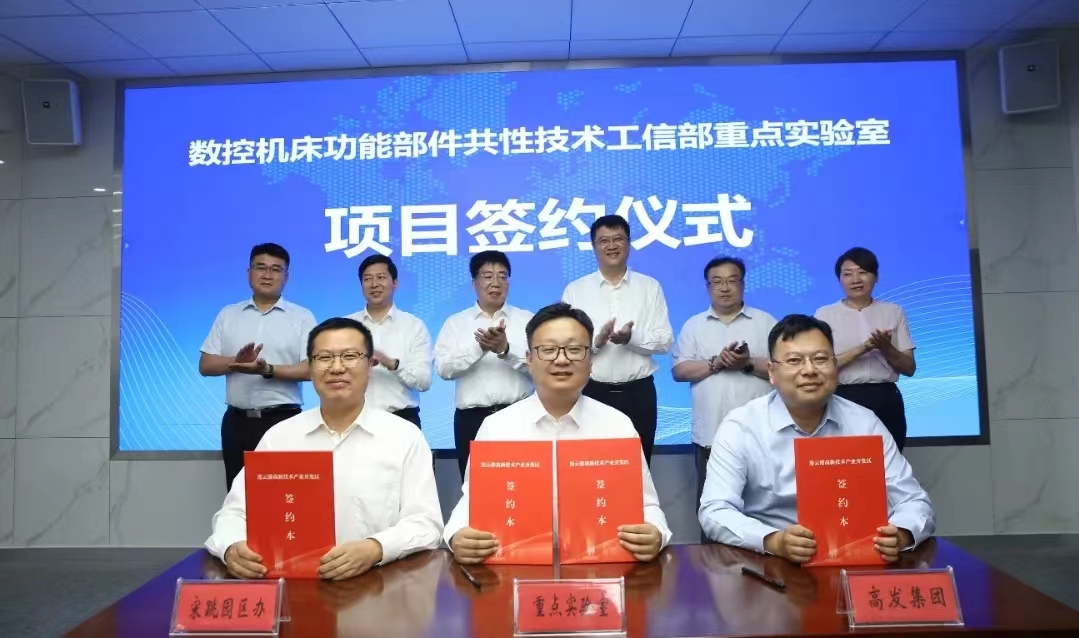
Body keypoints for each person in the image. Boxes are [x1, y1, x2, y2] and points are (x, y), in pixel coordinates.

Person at [206, 317, 443, 580]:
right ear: (310, 367)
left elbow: (425, 523)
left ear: (370, 365)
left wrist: (376, 548)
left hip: (379, 583)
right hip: (294, 587)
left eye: (350, 356)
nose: (337, 367)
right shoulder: (280, 438)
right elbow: (236, 511)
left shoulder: (404, 437)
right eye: (324, 357)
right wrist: (232, 546)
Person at [444, 302, 672, 564]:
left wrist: (656, 533)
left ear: (590, 361)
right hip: (517, 569)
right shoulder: (497, 427)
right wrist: (456, 535)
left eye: (574, 350)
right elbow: (472, 501)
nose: (562, 359)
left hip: (598, 571)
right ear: (529, 360)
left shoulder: (617, 425)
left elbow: (646, 504)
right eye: (548, 350)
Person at [698, 314, 934, 564]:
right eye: (794, 360)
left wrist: (901, 534)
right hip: (770, 563)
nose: (809, 370)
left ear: (835, 366)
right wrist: (773, 540)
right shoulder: (741, 426)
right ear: (772, 372)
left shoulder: (864, 422)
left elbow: (914, 501)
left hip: (857, 558)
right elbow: (715, 510)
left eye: (820, 359)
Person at [199, 243, 317, 491]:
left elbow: (312, 369)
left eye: (276, 269)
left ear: (286, 277)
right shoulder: (228, 314)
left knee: (284, 497)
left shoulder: (302, 317)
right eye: (260, 267)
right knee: (238, 497)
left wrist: (267, 370)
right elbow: (206, 364)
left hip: (283, 420)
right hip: (236, 422)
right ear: (249, 272)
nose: (267, 275)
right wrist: (236, 362)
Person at [671, 257, 776, 534]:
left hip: (761, 436)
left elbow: (783, 369)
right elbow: (679, 371)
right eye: (717, 282)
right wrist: (716, 363)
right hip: (710, 436)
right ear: (708, 287)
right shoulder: (694, 325)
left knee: (763, 513)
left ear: (743, 284)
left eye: (731, 280)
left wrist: (747, 363)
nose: (725, 288)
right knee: (713, 514)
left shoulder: (766, 322)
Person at [561, 215, 673, 464]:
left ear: (629, 243)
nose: (612, 246)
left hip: (639, 393)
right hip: (592, 391)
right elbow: (567, 347)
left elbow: (664, 341)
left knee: (638, 468)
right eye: (604, 240)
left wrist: (631, 338)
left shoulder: (650, 287)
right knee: (591, 466)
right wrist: (596, 342)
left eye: (618, 239)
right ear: (593, 246)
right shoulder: (575, 290)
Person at [434, 251, 534, 478]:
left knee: (524, 484)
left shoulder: (527, 320)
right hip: (472, 420)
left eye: (502, 276)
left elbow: (540, 368)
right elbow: (444, 370)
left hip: (519, 415)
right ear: (474, 283)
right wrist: (479, 349)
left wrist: (505, 350)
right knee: (475, 488)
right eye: (488, 276)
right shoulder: (456, 323)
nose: (495, 283)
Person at [814, 247, 916, 451]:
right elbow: (820, 367)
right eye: (848, 274)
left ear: (875, 277)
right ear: (839, 279)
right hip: (842, 397)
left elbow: (909, 368)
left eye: (863, 272)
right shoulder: (824, 315)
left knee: (889, 461)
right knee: (846, 460)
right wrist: (864, 348)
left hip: (886, 397)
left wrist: (885, 347)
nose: (855, 279)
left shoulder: (893, 311)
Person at [346, 255, 432, 428]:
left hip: (402, 420)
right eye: (367, 279)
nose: (374, 284)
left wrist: (391, 363)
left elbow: (423, 382)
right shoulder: (346, 326)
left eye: (381, 277)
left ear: (395, 283)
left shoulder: (414, 326)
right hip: (355, 419)